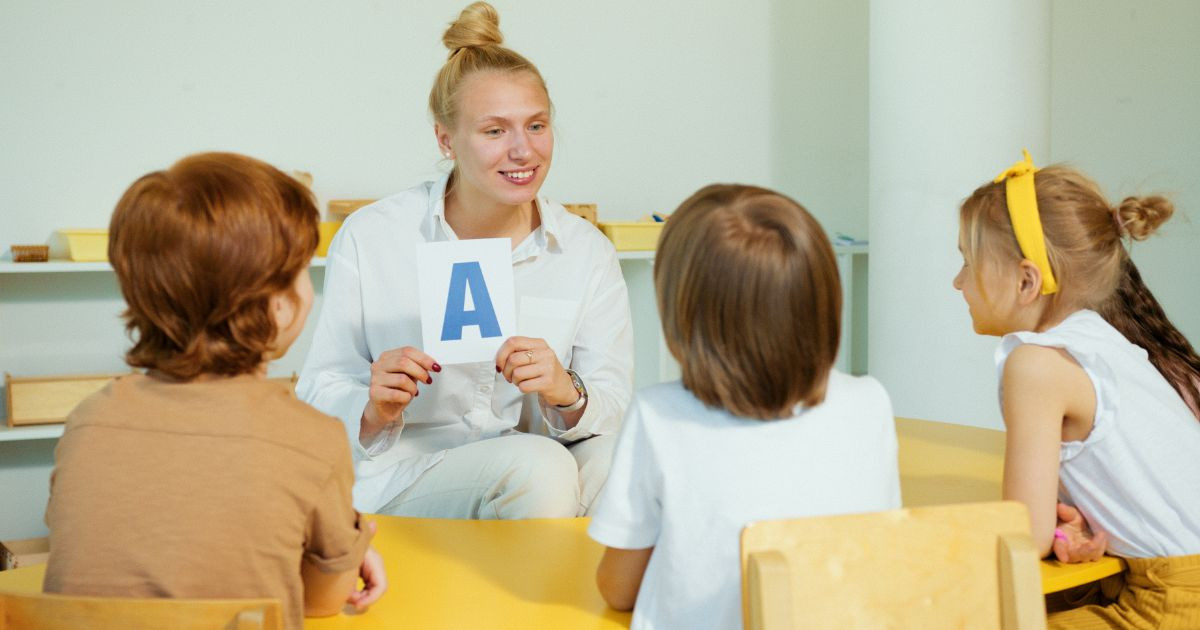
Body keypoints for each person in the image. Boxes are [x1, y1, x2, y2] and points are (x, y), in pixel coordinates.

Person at [297, 1, 633, 519]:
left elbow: (610, 398)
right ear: (446, 139)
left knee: (625, 458)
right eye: (495, 131)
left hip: (539, 467)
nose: (524, 150)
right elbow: (321, 386)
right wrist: (374, 403)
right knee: (537, 465)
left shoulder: (586, 250)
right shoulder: (373, 236)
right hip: (410, 471)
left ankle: (582, 597)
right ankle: (524, 599)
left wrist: (568, 392)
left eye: (537, 126)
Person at [43, 153, 386, 630]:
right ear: (282, 307)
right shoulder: (312, 438)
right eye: (303, 269)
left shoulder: (86, 422)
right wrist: (352, 546)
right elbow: (325, 599)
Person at [588, 184, 901, 630]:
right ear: (824, 297)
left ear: (681, 311)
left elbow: (618, 590)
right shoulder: (870, 401)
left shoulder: (659, 416)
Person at [953, 151, 1200, 628]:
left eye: (967, 262)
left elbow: (1023, 536)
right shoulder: (1103, 341)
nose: (958, 281)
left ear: (1027, 281)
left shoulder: (1036, 364)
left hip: (1171, 605)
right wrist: (1073, 525)